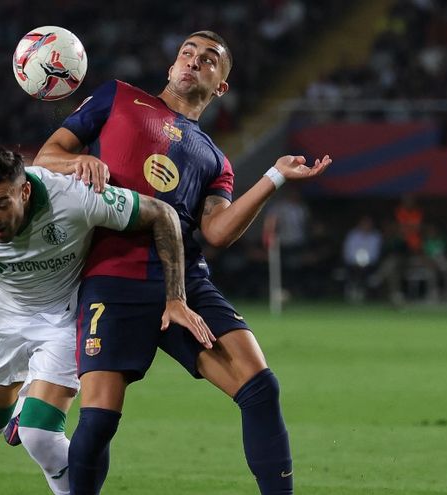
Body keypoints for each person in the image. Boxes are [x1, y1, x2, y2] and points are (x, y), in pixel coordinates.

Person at [35, 30, 331, 494]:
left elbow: (217, 232)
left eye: (209, 59)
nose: (194, 61)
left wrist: (273, 177)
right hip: (113, 275)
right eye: (187, 53)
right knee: (99, 420)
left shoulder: (215, 159)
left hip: (185, 280)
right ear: (172, 66)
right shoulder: (118, 98)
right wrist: (78, 164)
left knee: (260, 388)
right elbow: (46, 156)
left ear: (221, 86)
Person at [0, 147, 211, 495]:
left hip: (62, 319)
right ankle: (23, 401)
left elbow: (162, 214)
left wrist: (176, 297)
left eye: (0, 204)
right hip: (0, 319)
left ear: (24, 191)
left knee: (38, 435)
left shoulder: (74, 197)